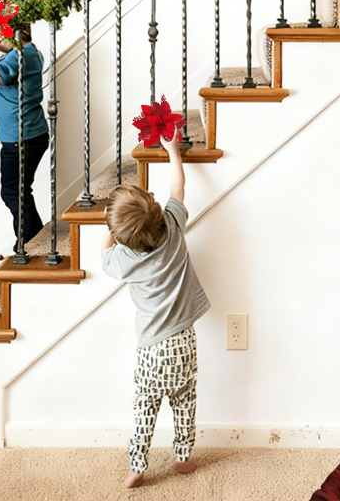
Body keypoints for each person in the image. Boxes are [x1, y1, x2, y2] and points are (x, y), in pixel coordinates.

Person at [101, 136, 210, 488]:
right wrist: (173, 150)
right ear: (156, 211)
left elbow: (105, 259)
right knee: (185, 400)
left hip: (152, 350)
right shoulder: (175, 228)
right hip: (185, 344)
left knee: (145, 408)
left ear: (122, 236)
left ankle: (137, 465)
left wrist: (110, 232)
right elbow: (178, 185)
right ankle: (183, 457)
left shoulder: (125, 259)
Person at [0, 29, 49, 245]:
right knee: (19, 190)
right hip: (30, 134)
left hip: (20, 138)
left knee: (12, 192)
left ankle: (31, 239)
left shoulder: (17, 57)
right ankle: (31, 238)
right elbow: (9, 48)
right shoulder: (31, 51)